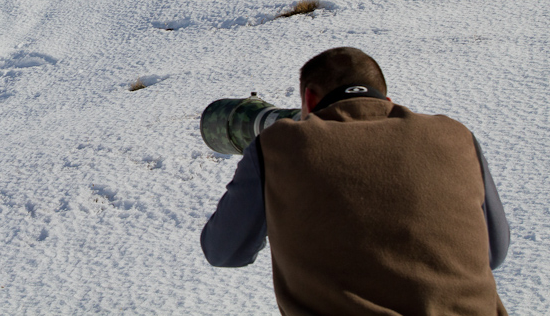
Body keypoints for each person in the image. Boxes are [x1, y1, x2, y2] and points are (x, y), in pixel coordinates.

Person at [200, 47, 510, 315]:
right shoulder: (456, 136)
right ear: (386, 100)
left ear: (308, 99)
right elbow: (494, 252)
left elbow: (223, 251)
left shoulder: (278, 146)